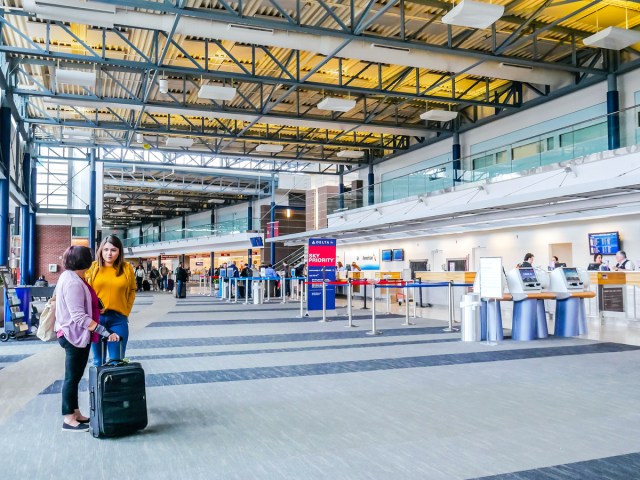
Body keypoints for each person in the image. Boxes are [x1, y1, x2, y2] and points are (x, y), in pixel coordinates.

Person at [55, 246, 119, 432]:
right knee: (71, 378)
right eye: (90, 257)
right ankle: (68, 419)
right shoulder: (73, 282)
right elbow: (79, 317)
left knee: (73, 377)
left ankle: (75, 413)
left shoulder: (70, 277)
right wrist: (105, 332)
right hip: (74, 335)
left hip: (71, 332)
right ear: (84, 261)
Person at [86, 235, 136, 367]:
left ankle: (113, 388)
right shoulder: (93, 268)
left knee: (117, 361)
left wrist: (126, 310)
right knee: (98, 361)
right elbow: (85, 291)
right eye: (106, 249)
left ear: (119, 251)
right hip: (97, 320)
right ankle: (98, 387)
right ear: (101, 250)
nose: (109, 253)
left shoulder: (126, 268)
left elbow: (132, 290)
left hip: (118, 319)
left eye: (113, 250)